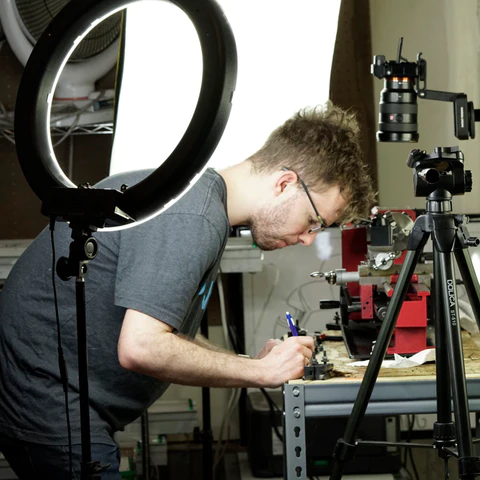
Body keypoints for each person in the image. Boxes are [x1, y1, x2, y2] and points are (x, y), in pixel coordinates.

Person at [0, 102, 375, 478]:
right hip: (47, 406)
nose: (309, 240)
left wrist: (252, 364)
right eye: (313, 221)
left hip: (55, 404)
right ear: (284, 183)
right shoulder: (193, 216)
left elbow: (169, 336)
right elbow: (142, 347)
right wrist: (260, 375)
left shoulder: (197, 203)